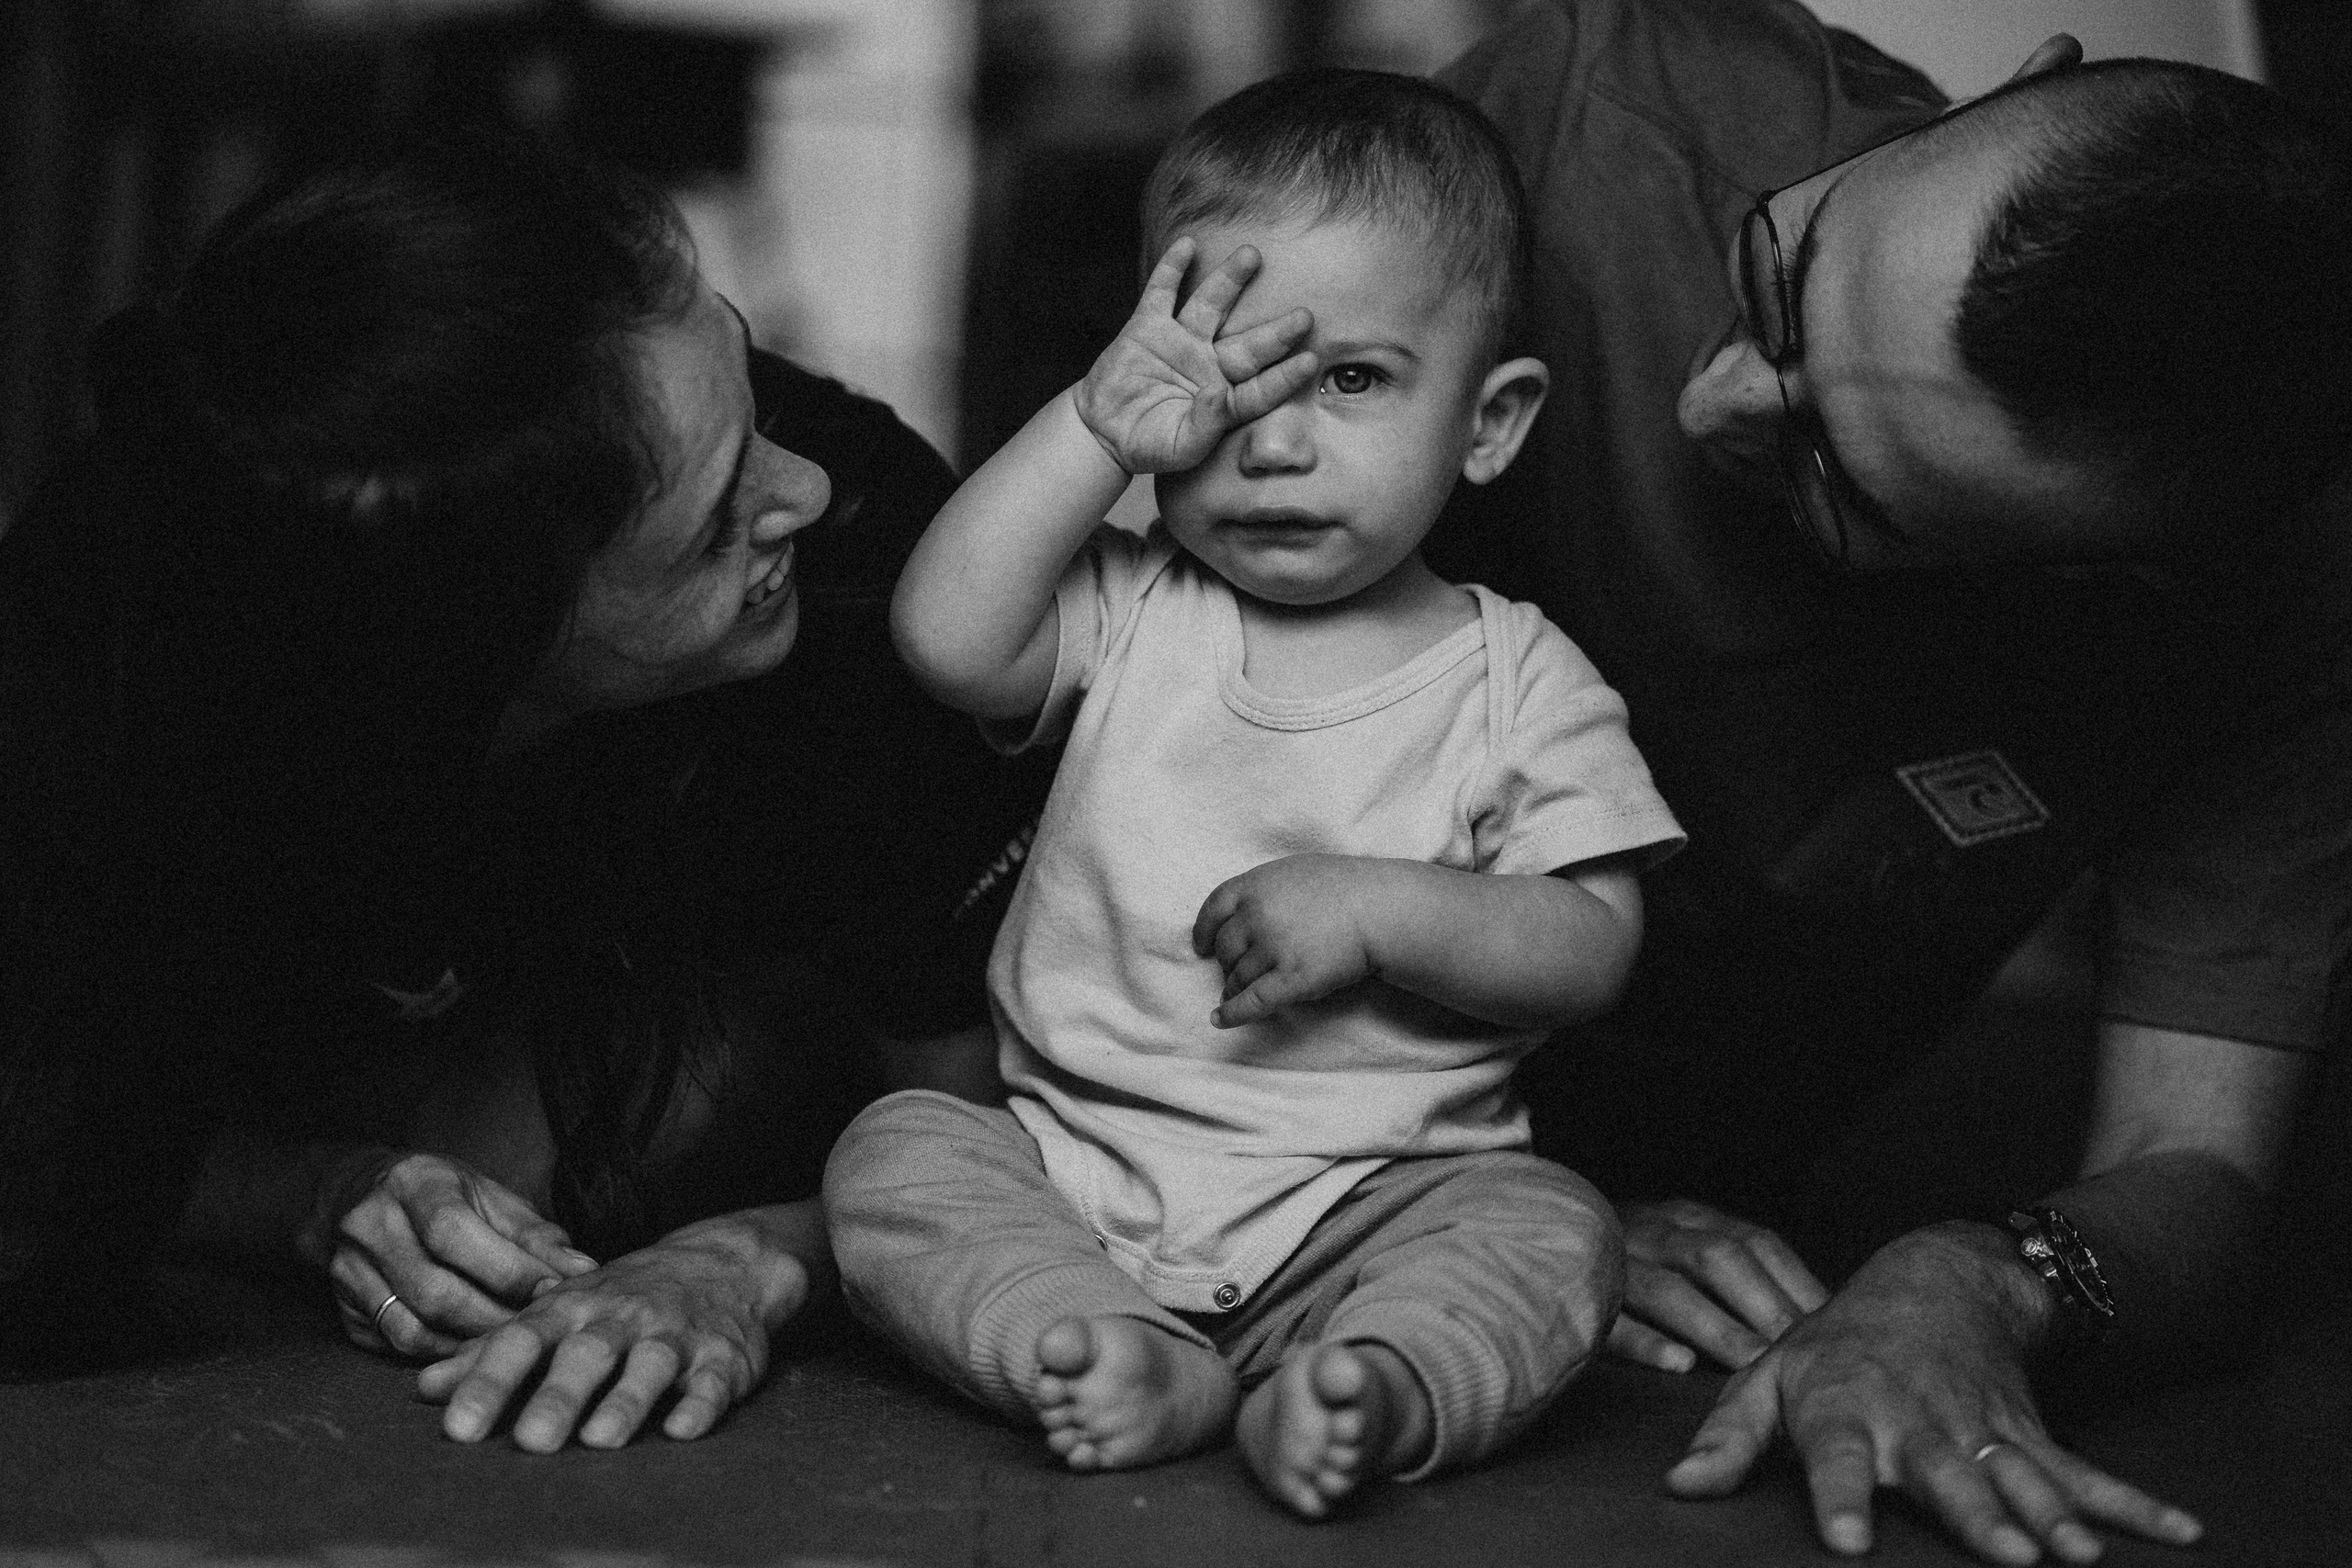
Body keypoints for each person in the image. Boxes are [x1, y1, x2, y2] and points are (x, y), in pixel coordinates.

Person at [1433, 2, 2352, 1562]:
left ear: (2103, 574)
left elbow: (2191, 1161)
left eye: (1837, 485)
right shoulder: (1603, 108)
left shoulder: (2280, 610)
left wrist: (1983, 1281)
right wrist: (1470, 1190)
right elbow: (1170, 675)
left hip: (1730, 1230)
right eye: (1776, 278)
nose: (1715, 403)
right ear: (2023, 85)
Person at [0, 129, 1036, 1450]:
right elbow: (43, 1122)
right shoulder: (102, 653)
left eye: (750, 391)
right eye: (712, 527)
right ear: (475, 658)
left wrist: (748, 1262)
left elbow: (1022, 1126)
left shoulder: (879, 576)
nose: (808, 488)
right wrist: (313, 1198)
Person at [824, 69, 1684, 1519]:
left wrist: (1385, 913)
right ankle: (1112, 1348)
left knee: (1554, 1233)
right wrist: (1095, 429)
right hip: (1077, 1177)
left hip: (1376, 1205)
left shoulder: (1516, 676)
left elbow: (1592, 945)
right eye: (1227, 379)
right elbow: (948, 638)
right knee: (895, 1157)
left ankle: (1376, 1382)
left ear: (1488, 422)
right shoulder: (1131, 606)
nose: (1273, 441)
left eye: (1351, 380)